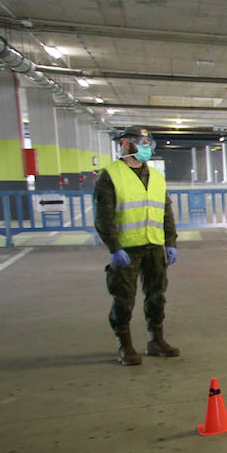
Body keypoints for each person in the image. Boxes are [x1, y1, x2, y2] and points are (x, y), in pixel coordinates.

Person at [93, 129, 180, 366]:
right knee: (124, 298)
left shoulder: (156, 177)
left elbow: (165, 213)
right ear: (125, 144)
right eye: (142, 142)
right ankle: (125, 344)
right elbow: (103, 216)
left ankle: (155, 340)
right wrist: (114, 247)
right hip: (127, 249)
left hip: (153, 245)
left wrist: (170, 242)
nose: (147, 147)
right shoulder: (110, 175)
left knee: (156, 296)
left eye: (149, 143)